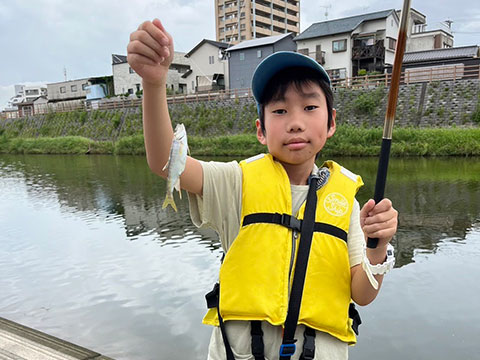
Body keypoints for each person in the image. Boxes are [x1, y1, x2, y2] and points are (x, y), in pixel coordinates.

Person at [127, 19, 398, 360]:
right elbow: (166, 164)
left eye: (310, 107)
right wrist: (154, 85)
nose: (295, 121)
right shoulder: (236, 182)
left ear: (331, 123)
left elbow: (362, 293)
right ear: (261, 130)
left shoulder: (346, 204)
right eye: (280, 110)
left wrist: (379, 247)